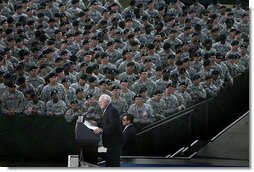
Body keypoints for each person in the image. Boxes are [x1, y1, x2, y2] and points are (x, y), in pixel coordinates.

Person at [94, 94, 123, 167]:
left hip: (114, 141)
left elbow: (113, 125)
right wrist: (96, 124)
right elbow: (106, 123)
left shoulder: (112, 110)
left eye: (101, 101)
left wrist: (102, 129)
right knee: (110, 161)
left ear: (106, 101)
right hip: (110, 141)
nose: (99, 103)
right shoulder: (108, 109)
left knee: (113, 162)